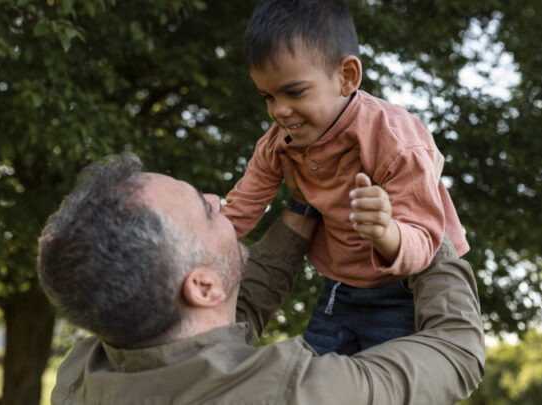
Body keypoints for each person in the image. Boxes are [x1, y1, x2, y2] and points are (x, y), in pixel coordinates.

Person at [37, 153, 484, 404]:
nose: (216, 196)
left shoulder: (83, 373)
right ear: (202, 286)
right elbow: (458, 350)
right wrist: (420, 218)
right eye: (206, 208)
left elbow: (225, 322)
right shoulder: (294, 395)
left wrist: (308, 203)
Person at [222, 0, 470, 355]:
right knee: (316, 379)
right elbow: (242, 206)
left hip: (402, 288)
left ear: (347, 77)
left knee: (391, 381)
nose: (278, 110)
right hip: (341, 284)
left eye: (294, 92)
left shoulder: (396, 143)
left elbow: (425, 241)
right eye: (267, 96)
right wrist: (199, 243)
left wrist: (386, 232)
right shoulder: (279, 142)